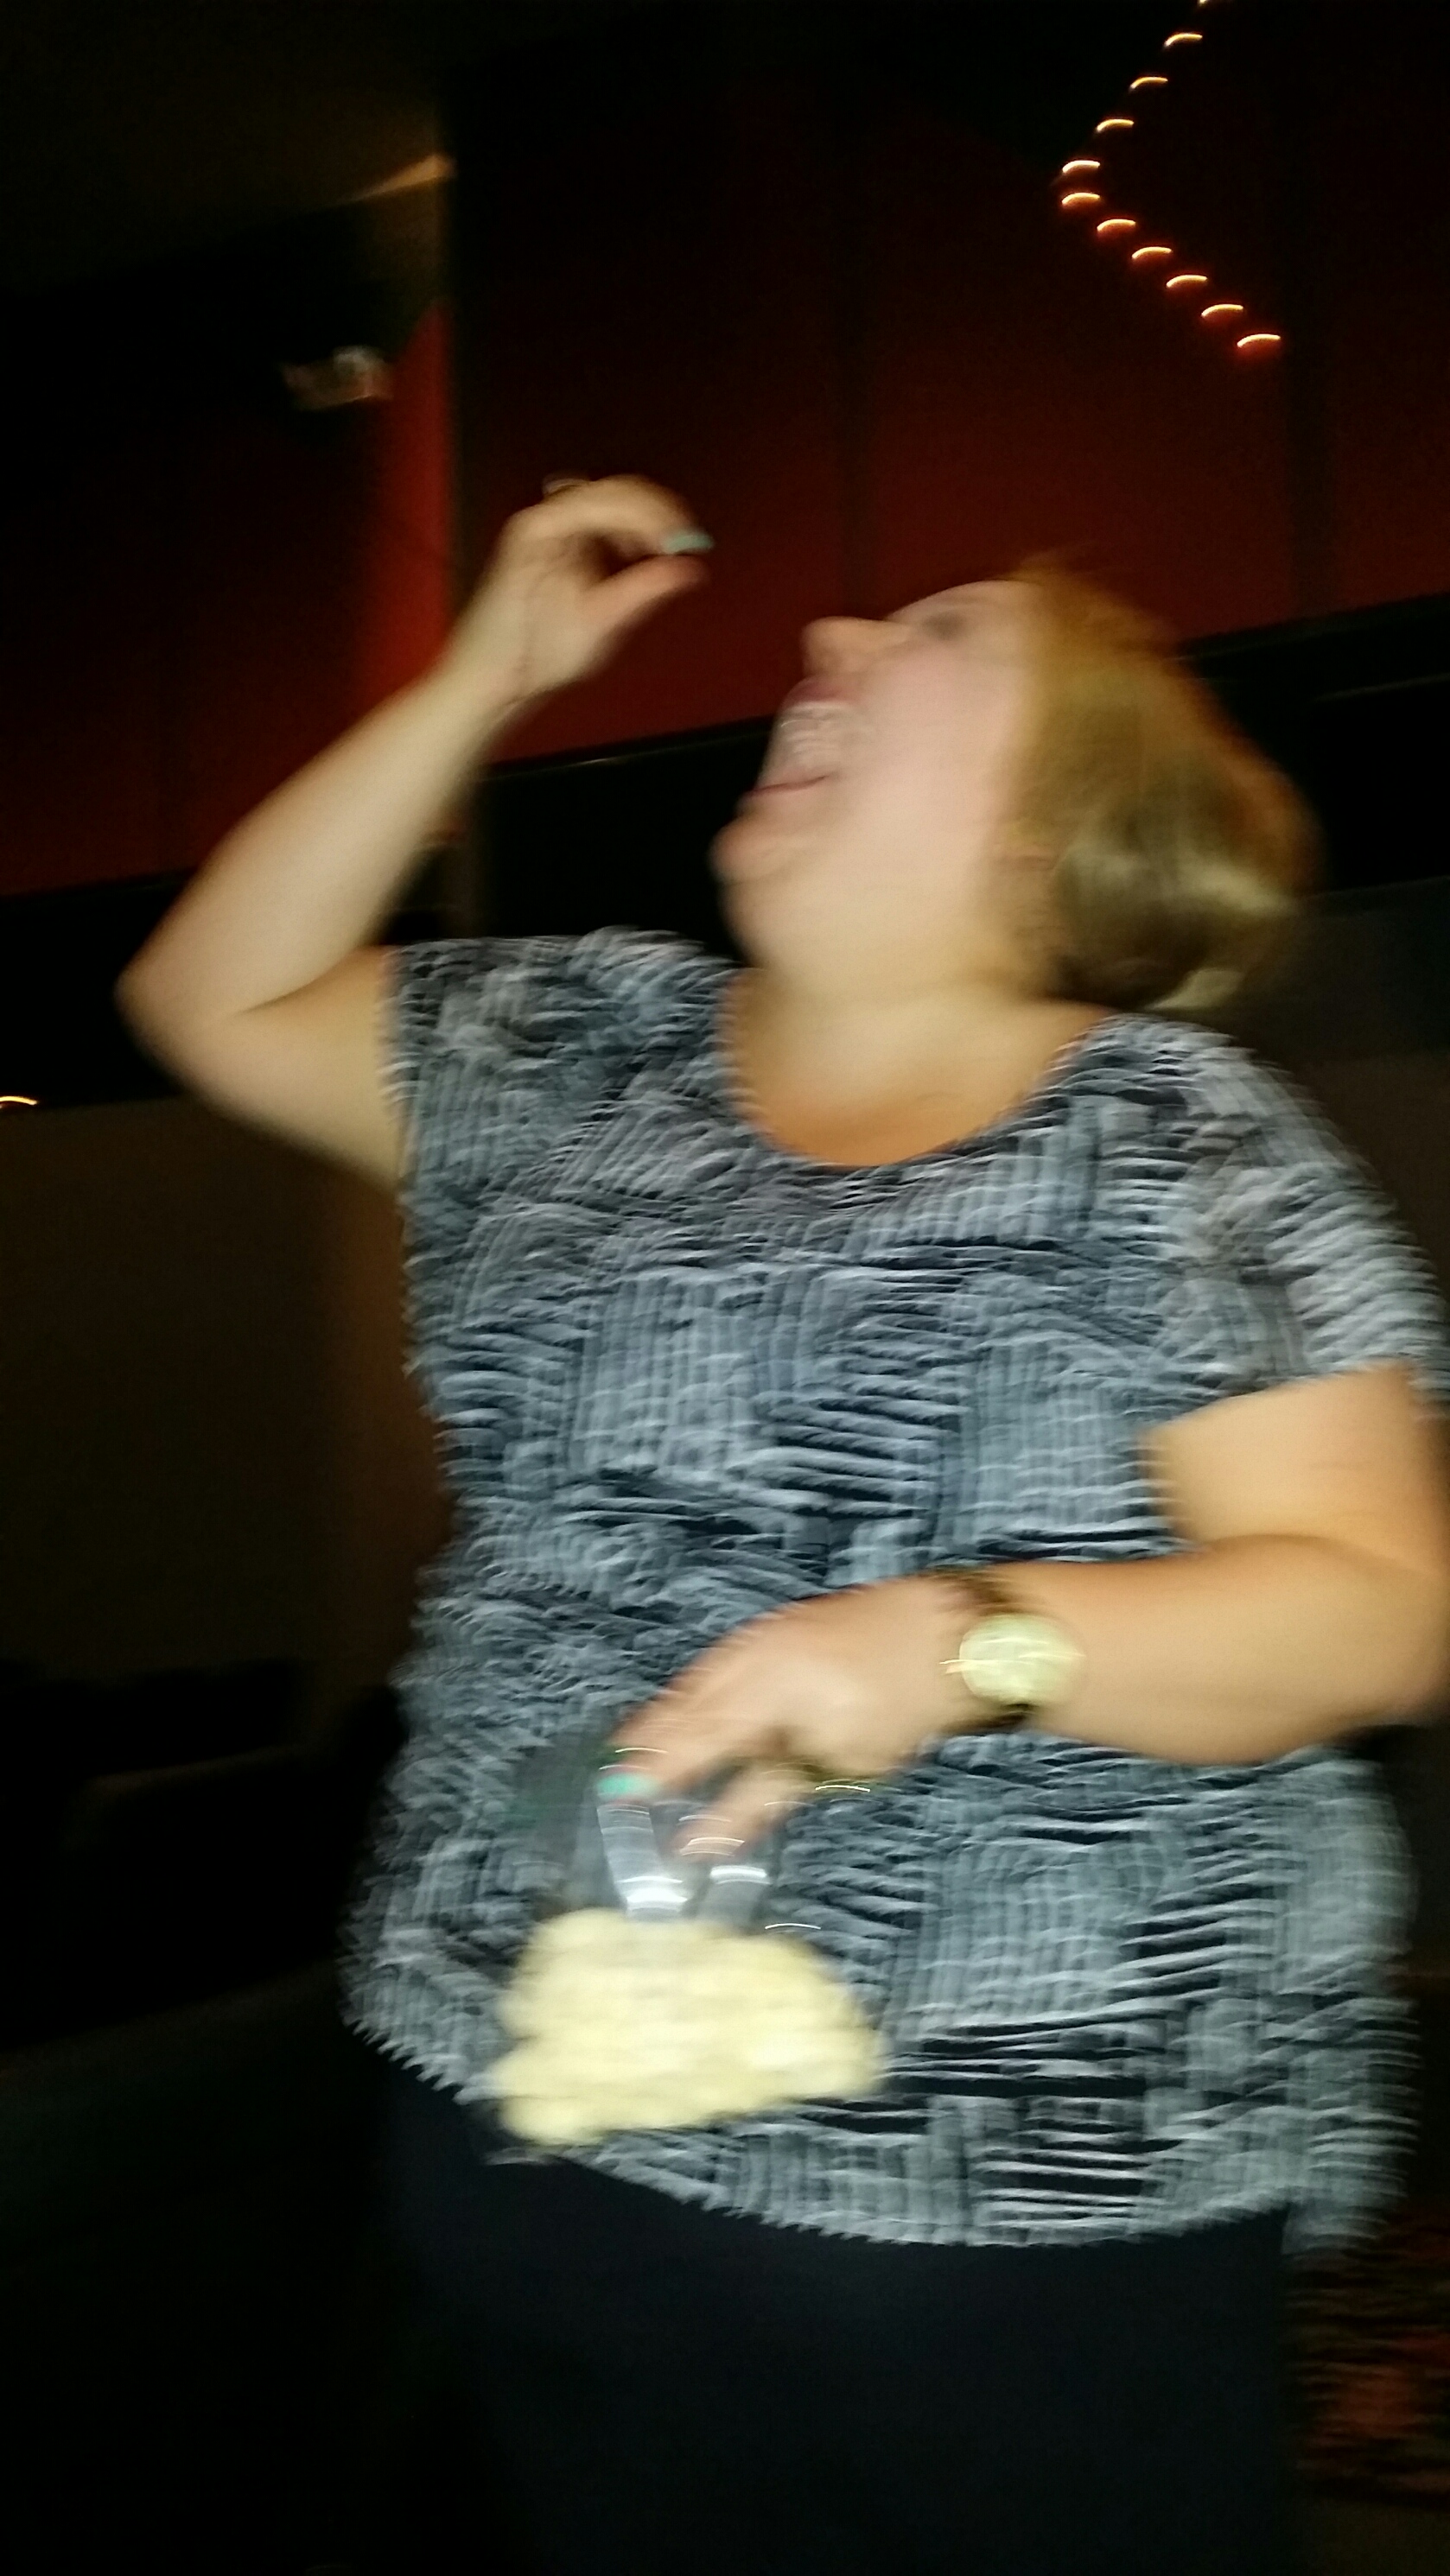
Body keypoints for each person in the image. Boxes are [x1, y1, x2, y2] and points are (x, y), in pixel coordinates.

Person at [119, 476, 1450, 2576]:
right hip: (524, 2100)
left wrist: (954, 1645)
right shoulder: (583, 1045)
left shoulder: (1170, 1139)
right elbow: (208, 996)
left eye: (934, 633)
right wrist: (482, 676)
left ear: (1053, 818)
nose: (825, 642)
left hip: (1016, 2194)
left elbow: (1377, 1607)